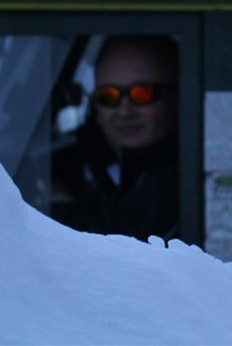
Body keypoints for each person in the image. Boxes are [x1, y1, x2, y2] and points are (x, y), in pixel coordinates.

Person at [51, 35, 179, 241]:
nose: (124, 111)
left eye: (143, 93)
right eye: (108, 96)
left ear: (178, 98)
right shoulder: (63, 167)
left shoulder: (191, 182)